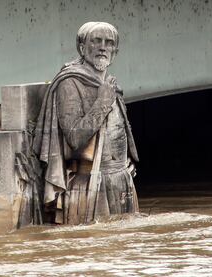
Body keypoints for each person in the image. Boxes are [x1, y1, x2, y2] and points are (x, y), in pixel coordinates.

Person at [33, 22, 139, 226]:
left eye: (109, 43)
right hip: (90, 183)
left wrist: (127, 162)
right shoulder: (69, 83)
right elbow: (74, 137)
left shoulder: (110, 84)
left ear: (114, 52)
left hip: (121, 180)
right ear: (82, 47)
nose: (103, 47)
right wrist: (102, 102)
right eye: (96, 41)